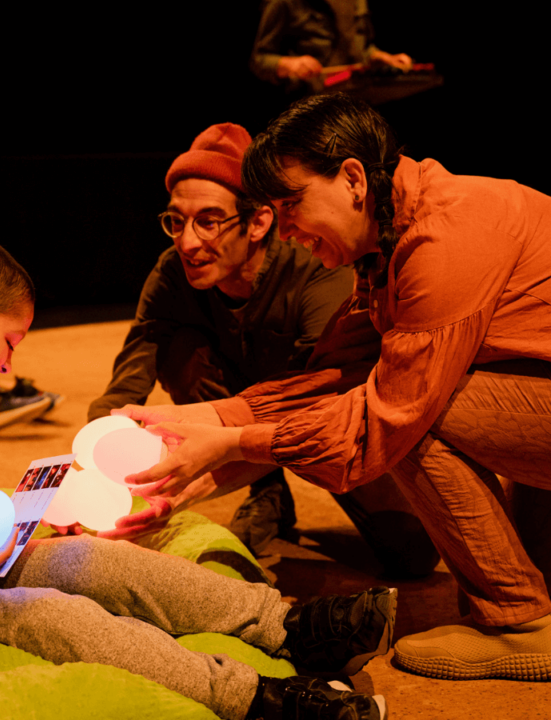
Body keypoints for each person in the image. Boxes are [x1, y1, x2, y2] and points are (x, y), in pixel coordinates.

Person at [0, 232, 395, 720]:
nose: (8, 366)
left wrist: (14, 525)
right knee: (48, 614)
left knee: (92, 559)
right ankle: (255, 698)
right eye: (8, 343)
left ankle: (288, 627)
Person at [110, 94, 551, 682]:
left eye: (291, 205)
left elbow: (385, 416)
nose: (285, 230)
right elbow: (337, 371)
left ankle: (521, 623)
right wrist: (212, 420)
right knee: (405, 396)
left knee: (419, 416)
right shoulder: (388, 237)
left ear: (351, 179)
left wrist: (234, 444)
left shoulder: (442, 238)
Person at [87, 121, 437, 575]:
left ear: (258, 221)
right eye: (176, 221)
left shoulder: (317, 266)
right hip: (241, 410)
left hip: (325, 412)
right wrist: (94, 444)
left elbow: (327, 399)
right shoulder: (173, 270)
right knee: (176, 350)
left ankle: (264, 472)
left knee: (409, 552)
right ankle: (268, 492)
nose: (187, 242)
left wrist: (204, 475)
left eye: (208, 222)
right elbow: (139, 353)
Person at [250, 0, 412, 92]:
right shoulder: (283, 2)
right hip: (309, 105)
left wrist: (377, 56)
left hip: (359, 98)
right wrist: (290, 64)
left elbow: (359, 45)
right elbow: (259, 60)